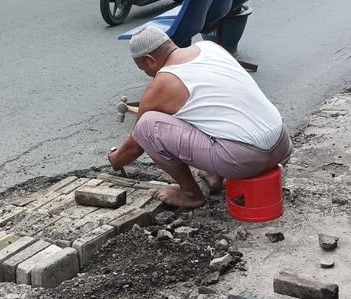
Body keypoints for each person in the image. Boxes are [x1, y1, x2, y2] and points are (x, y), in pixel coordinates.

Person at [107, 26, 292, 210]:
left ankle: (190, 195)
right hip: (281, 146)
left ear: (150, 60)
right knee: (199, 109)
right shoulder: (210, 47)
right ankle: (215, 175)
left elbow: (135, 144)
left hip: (244, 161)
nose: (146, 74)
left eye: (143, 69)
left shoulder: (163, 83)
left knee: (147, 126)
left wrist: (115, 159)